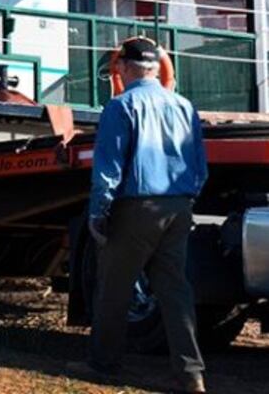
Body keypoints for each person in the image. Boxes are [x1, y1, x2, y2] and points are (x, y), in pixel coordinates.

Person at [83, 37, 208, 393]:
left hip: (137, 207)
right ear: (156, 67)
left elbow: (108, 167)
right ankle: (191, 374)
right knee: (175, 291)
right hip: (178, 205)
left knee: (113, 289)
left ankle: (103, 365)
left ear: (122, 68)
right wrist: (187, 199)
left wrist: (98, 212)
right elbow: (199, 165)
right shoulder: (184, 106)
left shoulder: (121, 106)